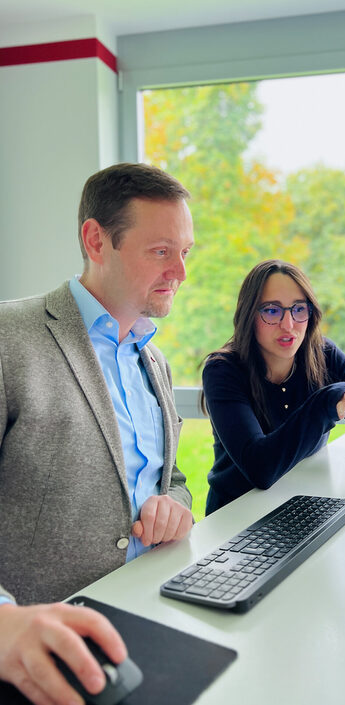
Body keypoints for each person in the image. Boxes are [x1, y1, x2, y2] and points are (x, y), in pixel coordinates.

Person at [0, 163, 194, 704]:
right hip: (36, 659)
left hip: (145, 618)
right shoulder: (7, 339)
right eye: (161, 251)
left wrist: (173, 504)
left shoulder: (153, 361)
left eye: (185, 252)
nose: (180, 272)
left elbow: (172, 477)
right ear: (96, 240)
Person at [202, 259, 345, 515]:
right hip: (235, 520)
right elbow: (261, 469)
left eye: (298, 309)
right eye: (271, 310)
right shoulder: (222, 370)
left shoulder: (324, 355)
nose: (288, 324)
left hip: (303, 510)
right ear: (249, 314)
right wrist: (327, 401)